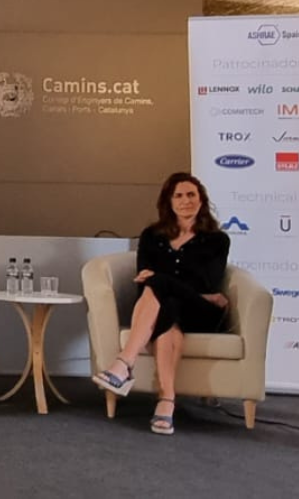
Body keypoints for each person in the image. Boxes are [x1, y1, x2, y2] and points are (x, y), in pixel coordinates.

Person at [92, 173, 230, 435]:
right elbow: (143, 279)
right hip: (165, 309)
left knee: (158, 285)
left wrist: (163, 279)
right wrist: (173, 284)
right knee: (166, 313)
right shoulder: (151, 236)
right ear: (169, 201)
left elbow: (207, 283)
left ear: (201, 200)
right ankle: (167, 400)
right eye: (178, 196)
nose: (185, 201)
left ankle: (124, 363)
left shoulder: (217, 240)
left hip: (200, 313)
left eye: (191, 195)